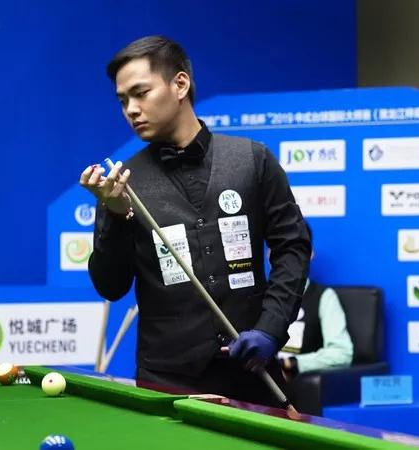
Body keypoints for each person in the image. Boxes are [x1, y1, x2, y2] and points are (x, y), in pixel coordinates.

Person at [80, 35, 310, 407]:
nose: (131, 110)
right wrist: (117, 215)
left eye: (141, 93)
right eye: (123, 101)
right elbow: (110, 286)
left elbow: (292, 248)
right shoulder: (122, 184)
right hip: (167, 382)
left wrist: (270, 329)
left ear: (180, 84)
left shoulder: (252, 160)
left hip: (254, 374)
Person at [279, 222, 353, 379]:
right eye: (277, 248)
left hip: (296, 382)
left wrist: (292, 363)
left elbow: (341, 353)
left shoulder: (324, 297)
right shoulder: (258, 296)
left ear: (310, 254)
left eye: (295, 249)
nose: (287, 257)